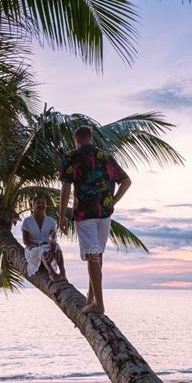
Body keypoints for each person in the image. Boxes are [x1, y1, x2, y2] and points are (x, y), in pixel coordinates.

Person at [59, 125, 131, 314]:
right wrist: (112, 201)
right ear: (91, 138)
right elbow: (126, 181)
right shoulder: (105, 156)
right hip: (104, 213)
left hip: (84, 212)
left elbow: (66, 187)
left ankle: (98, 304)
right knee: (97, 255)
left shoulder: (72, 156)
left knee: (92, 255)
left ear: (76, 140)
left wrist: (61, 215)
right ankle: (91, 299)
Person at [22, 195, 67, 282]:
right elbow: (25, 241)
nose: (41, 204)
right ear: (33, 205)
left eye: (43, 203)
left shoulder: (51, 221)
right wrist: (38, 244)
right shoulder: (27, 221)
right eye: (38, 203)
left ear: (46, 205)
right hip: (32, 248)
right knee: (42, 249)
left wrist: (53, 242)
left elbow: (53, 235)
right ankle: (52, 272)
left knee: (57, 246)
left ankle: (63, 272)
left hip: (46, 246)